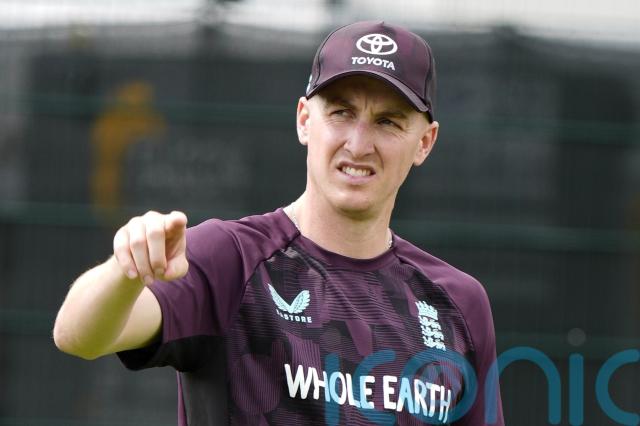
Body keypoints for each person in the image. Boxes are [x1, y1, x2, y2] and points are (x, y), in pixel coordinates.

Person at [54, 21, 504, 425]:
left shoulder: (459, 303)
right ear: (305, 120)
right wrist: (125, 270)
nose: (358, 143)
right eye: (341, 112)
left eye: (387, 121)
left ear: (424, 143)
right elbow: (78, 336)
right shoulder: (230, 259)